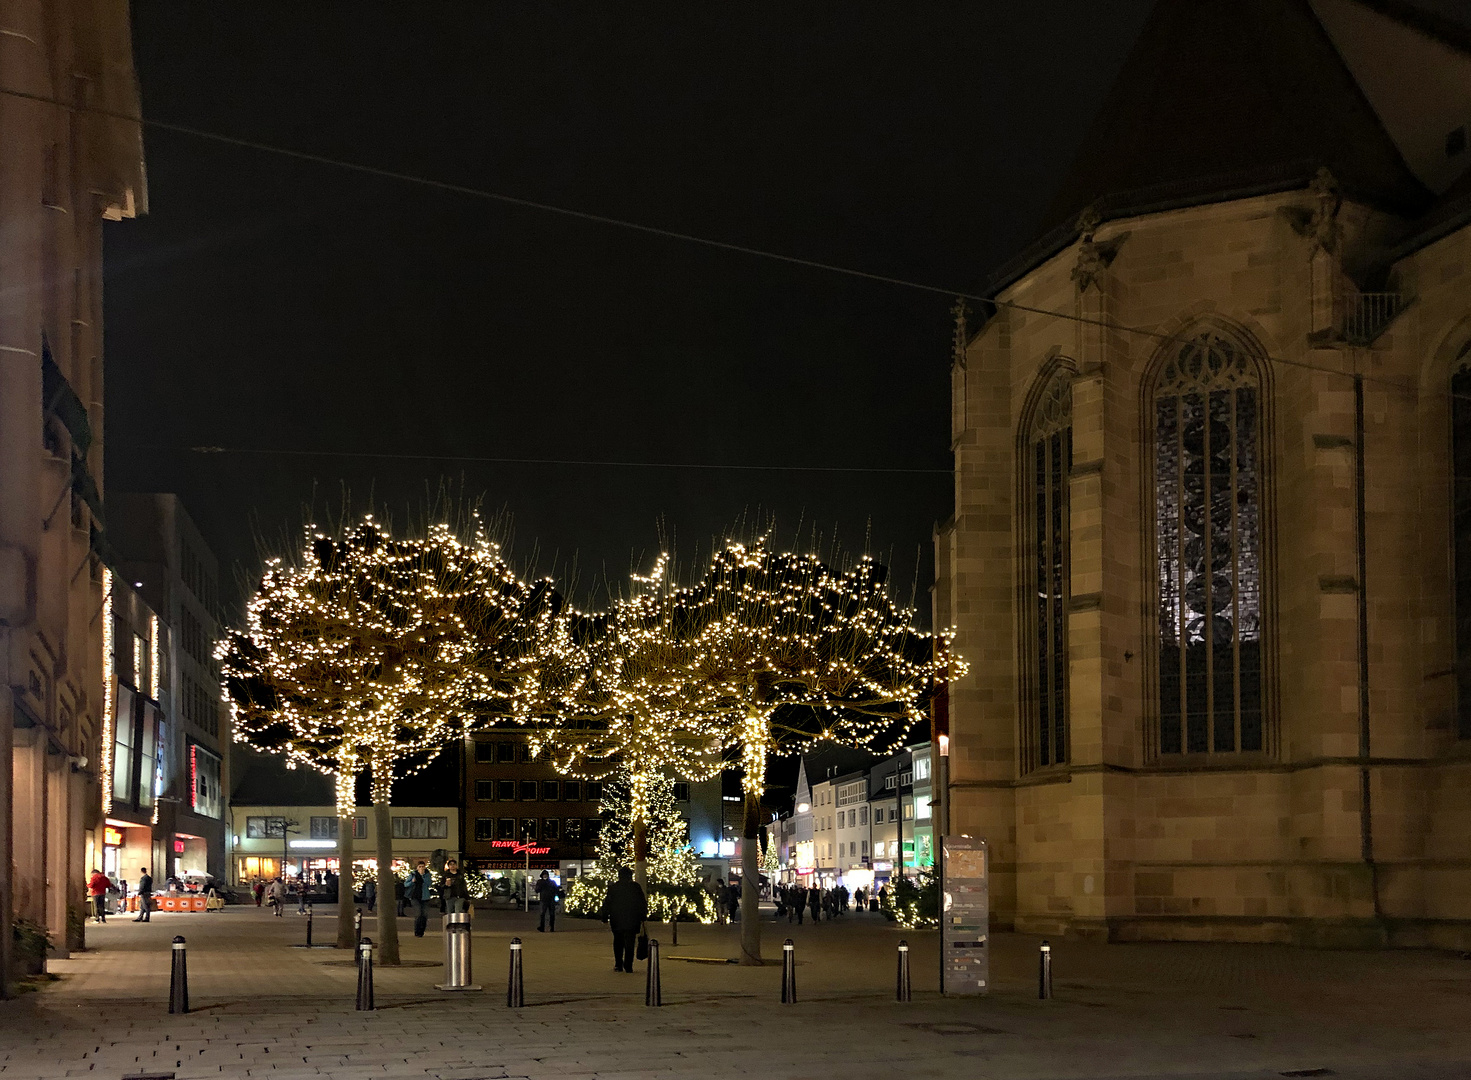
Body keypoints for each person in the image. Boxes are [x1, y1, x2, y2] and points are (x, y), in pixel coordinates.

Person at [598, 866, 647, 973]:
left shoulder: (614, 887)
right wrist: (643, 916)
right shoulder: (635, 887)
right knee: (630, 942)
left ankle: (618, 964)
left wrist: (605, 916)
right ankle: (628, 965)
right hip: (632, 919)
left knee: (618, 942)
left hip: (617, 919)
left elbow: (607, 903)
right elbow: (641, 903)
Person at [407, 860, 435, 937]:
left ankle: (422, 931)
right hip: (415, 897)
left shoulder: (427, 875)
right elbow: (406, 884)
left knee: (425, 915)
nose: (421, 868)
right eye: (420, 867)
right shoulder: (413, 874)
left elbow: (429, 884)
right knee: (418, 914)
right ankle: (417, 931)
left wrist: (422, 876)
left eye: (423, 867)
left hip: (425, 897)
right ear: (417, 867)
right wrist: (412, 881)